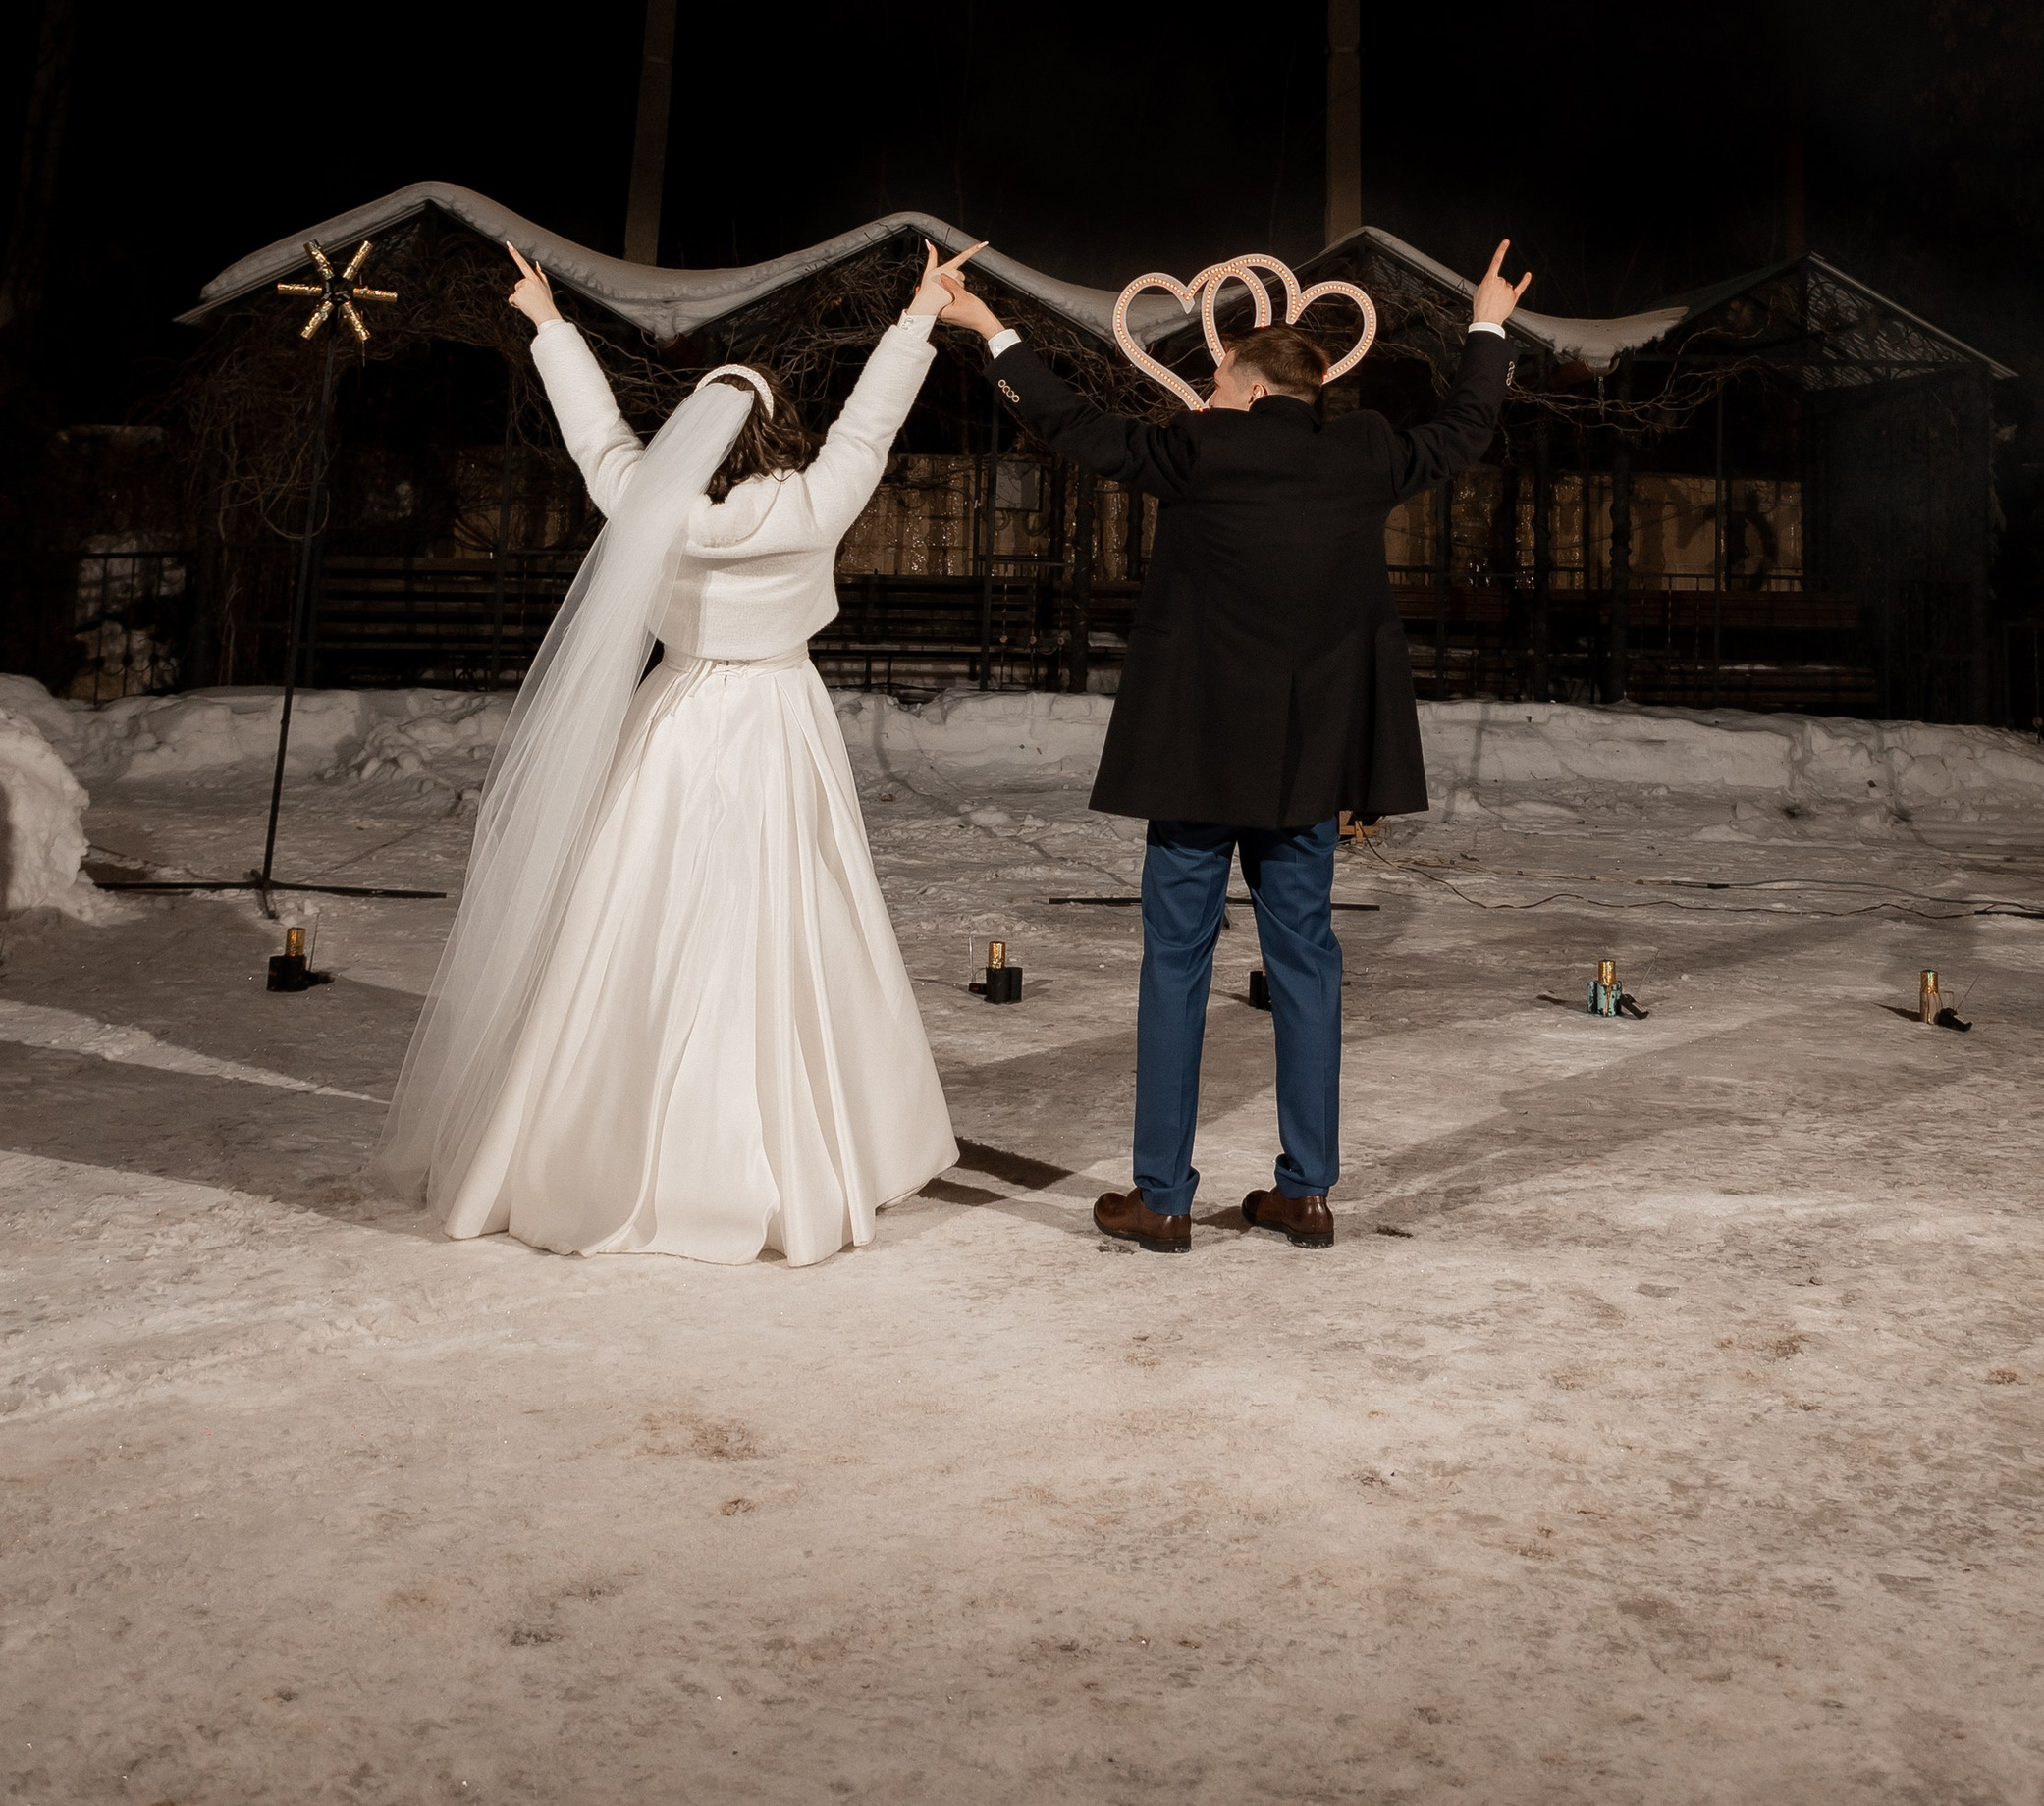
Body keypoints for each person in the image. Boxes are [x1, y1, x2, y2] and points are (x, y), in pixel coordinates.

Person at [376, 239, 977, 1262]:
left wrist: (549, 322)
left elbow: (595, 436)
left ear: (694, 438)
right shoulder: (814, 502)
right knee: (785, 911)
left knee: (638, 910)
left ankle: (600, 1134)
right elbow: (873, 424)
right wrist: (918, 315)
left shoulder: (646, 505)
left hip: (678, 714)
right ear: (779, 428)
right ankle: (797, 1146)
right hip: (778, 719)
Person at [930, 241, 1531, 1251]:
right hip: (1304, 772)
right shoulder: (1367, 453)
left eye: (1216, 380)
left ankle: (1161, 1198)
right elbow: (1467, 427)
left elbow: (1072, 426)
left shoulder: (1203, 448)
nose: (1207, 392)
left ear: (1250, 389)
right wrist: (1486, 324)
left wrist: (989, 328)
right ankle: (1307, 1193)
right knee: (1305, 965)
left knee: (1175, 966)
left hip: (1196, 765)